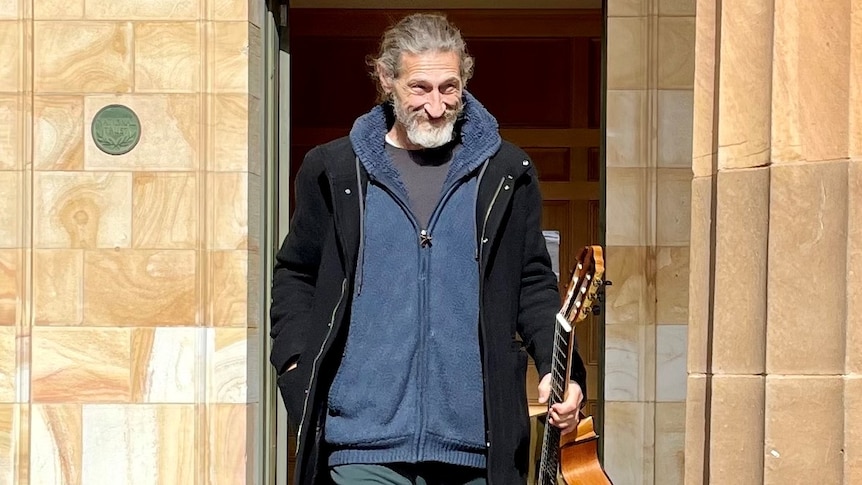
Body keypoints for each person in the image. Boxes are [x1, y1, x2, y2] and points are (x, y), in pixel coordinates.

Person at [270, 12, 587, 485]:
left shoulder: (505, 172)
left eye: (449, 88)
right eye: (420, 88)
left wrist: (561, 371)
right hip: (360, 444)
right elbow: (296, 273)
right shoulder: (334, 169)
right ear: (386, 79)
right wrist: (297, 368)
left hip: (474, 446)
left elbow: (533, 283)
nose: (436, 106)